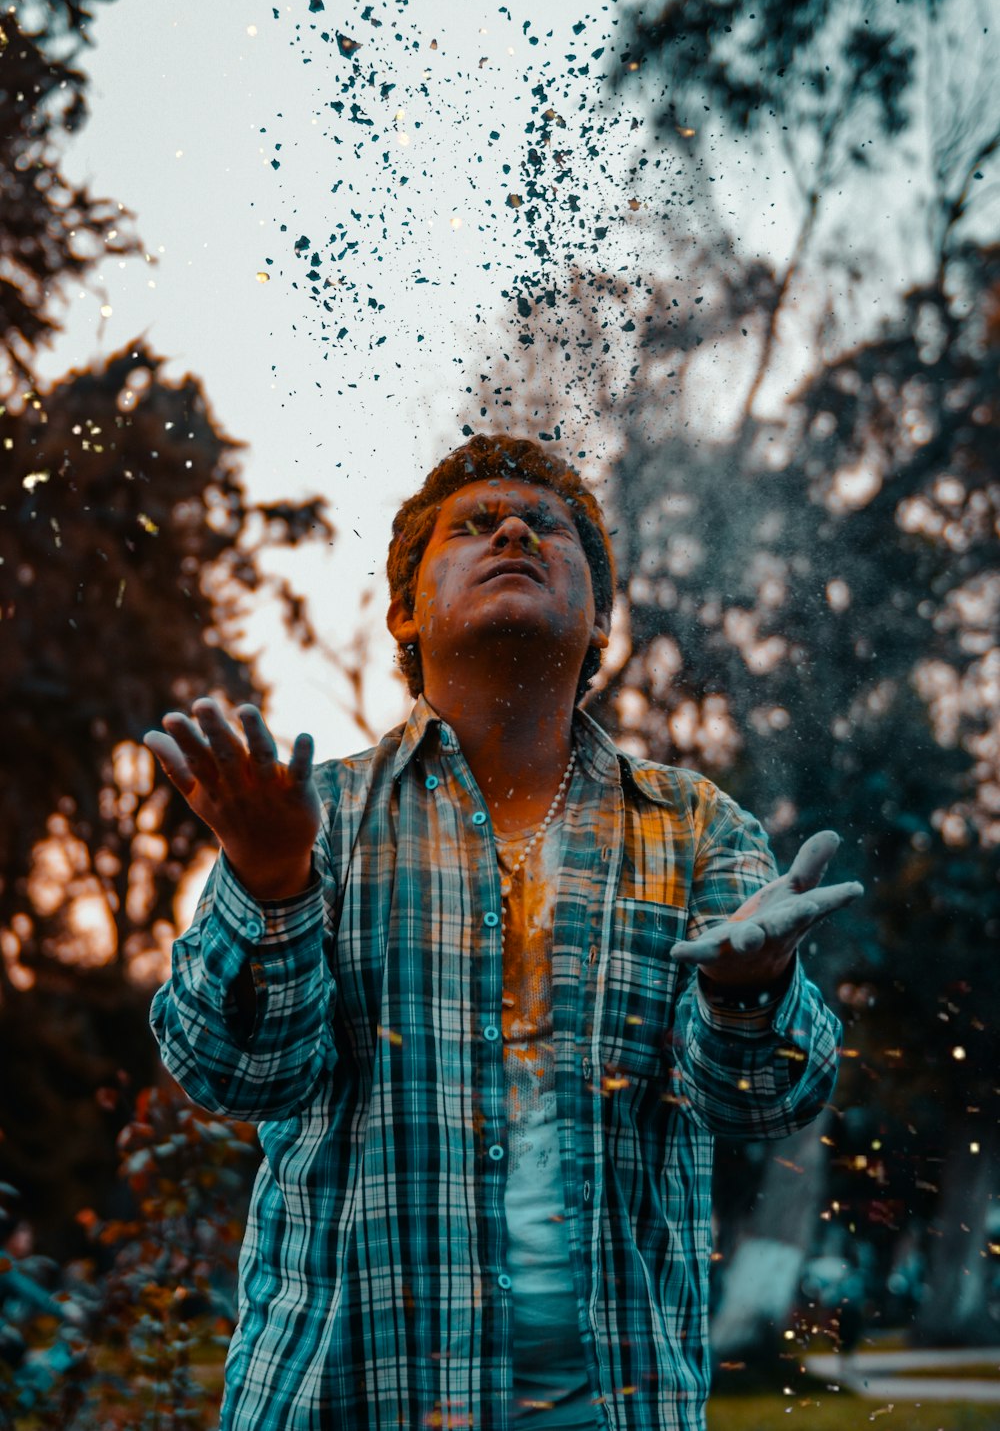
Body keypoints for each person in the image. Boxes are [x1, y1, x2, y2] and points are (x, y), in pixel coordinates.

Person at [147, 432, 861, 1431]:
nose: (515, 528)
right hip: (340, 1400)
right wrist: (269, 885)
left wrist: (746, 992)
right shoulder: (314, 820)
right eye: (474, 525)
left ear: (600, 619)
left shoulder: (697, 828)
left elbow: (769, 1098)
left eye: (548, 526)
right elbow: (232, 1075)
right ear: (404, 610)